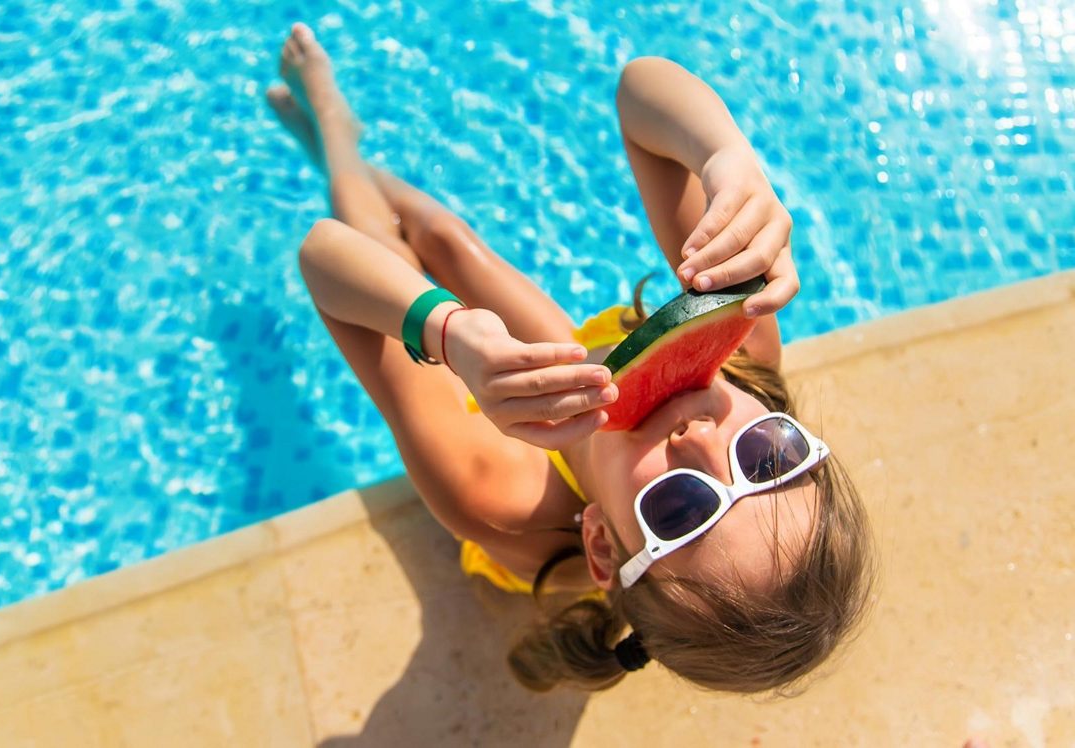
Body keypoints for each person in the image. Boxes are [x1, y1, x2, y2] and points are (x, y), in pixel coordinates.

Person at [272, 23, 874, 693]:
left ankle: (333, 130)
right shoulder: (746, 348)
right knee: (448, 242)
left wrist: (447, 333)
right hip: (588, 395)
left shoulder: (494, 490)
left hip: (521, 428)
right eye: (768, 460)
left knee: (392, 253)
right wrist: (727, 160)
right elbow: (639, 89)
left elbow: (325, 258)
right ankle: (342, 155)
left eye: (677, 509)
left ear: (601, 544)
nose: (701, 438)